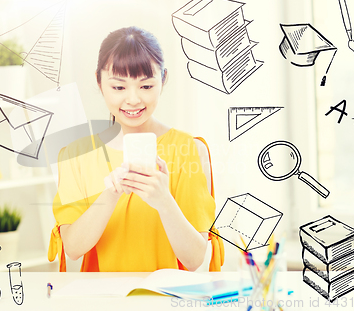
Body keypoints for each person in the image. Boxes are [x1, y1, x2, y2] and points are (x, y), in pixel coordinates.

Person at [48, 26, 224, 272]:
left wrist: (164, 201)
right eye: (119, 87)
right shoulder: (75, 155)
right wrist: (110, 194)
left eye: (146, 86)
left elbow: (195, 259)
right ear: (99, 82)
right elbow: (73, 249)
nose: (133, 99)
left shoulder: (188, 149)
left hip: (166, 301)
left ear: (163, 80)